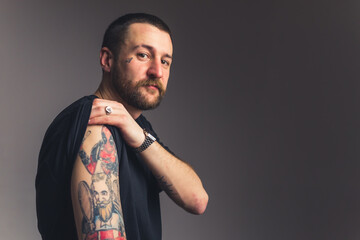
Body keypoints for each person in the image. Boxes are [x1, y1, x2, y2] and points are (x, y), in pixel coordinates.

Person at [35, 13, 208, 240]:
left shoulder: (135, 129)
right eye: (143, 55)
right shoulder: (95, 122)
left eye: (165, 61)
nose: (157, 71)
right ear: (107, 60)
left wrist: (139, 136)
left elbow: (197, 200)